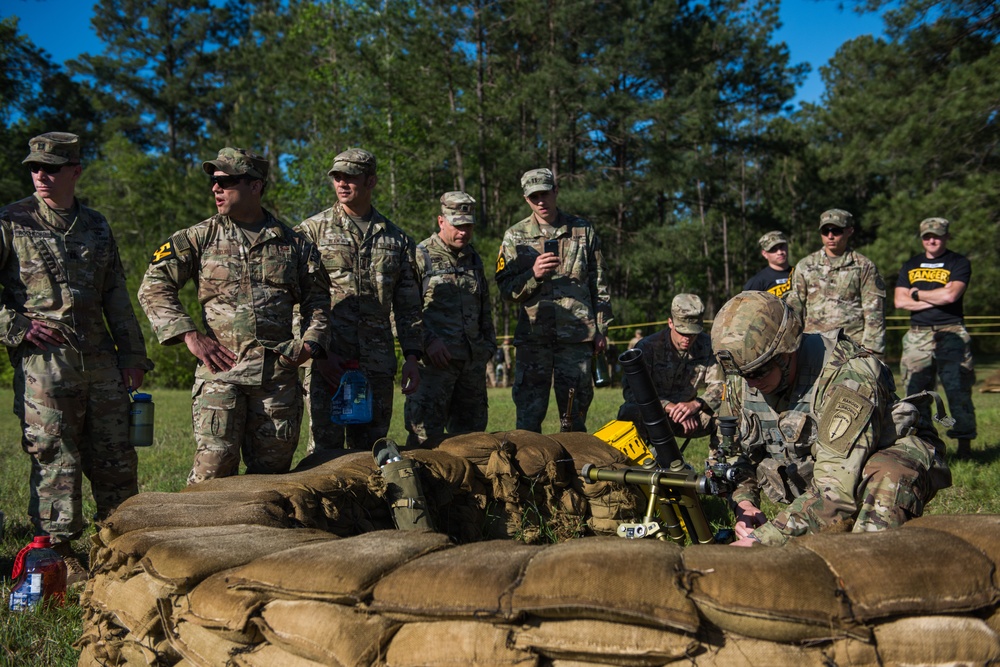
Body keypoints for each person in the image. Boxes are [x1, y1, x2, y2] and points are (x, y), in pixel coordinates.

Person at [0, 132, 153, 580]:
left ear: (75, 172)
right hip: (45, 364)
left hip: (102, 361)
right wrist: (17, 326)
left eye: (51, 168)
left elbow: (116, 294)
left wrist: (133, 354)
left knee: (117, 454)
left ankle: (120, 544)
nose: (41, 175)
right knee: (55, 455)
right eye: (34, 167)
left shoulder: (96, 225)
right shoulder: (13, 220)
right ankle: (60, 553)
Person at [139, 147, 330, 485]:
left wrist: (310, 345)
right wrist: (190, 335)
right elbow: (153, 287)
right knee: (212, 476)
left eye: (226, 181)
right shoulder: (198, 238)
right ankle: (196, 538)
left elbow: (319, 301)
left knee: (271, 480)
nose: (216, 188)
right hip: (220, 377)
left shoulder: (293, 244)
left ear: (255, 185)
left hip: (276, 379)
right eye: (214, 181)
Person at [711, 290, 950, 547]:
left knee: (886, 475)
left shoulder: (849, 376)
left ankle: (873, 562)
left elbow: (835, 491)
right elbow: (738, 456)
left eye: (758, 371)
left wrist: (763, 541)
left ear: (786, 351)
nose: (752, 383)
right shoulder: (744, 378)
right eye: (742, 374)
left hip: (875, 468)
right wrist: (744, 504)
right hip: (824, 479)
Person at [296, 148, 423, 450]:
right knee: (324, 455)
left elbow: (408, 307)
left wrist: (413, 357)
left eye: (350, 177)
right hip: (328, 361)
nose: (342, 183)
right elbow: (295, 299)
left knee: (371, 451)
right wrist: (316, 354)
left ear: (371, 181)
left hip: (376, 365)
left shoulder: (397, 239)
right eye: (337, 177)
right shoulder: (310, 232)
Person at [495, 167, 613, 432]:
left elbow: (600, 284)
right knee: (528, 419)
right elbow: (505, 288)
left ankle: (572, 472)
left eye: (544, 194)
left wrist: (601, 329)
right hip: (534, 340)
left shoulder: (582, 230)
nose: (540, 201)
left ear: (555, 192)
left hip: (576, 340)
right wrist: (533, 274)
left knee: (574, 419)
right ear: (526, 199)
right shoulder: (515, 236)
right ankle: (529, 472)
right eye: (533, 196)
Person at [404, 192, 495, 446]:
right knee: (425, 441)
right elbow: (403, 310)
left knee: (472, 441)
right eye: (457, 225)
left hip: (471, 367)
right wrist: (427, 341)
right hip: (434, 369)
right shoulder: (420, 256)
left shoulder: (473, 258)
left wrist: (488, 345)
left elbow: (484, 305)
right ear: (441, 221)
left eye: (468, 226)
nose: (463, 232)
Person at [894, 217, 976, 458]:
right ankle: (925, 444)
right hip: (917, 335)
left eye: (937, 235)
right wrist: (936, 295)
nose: (932, 240)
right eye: (927, 236)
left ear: (947, 237)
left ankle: (964, 445)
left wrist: (917, 294)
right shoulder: (911, 264)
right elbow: (899, 301)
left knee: (957, 390)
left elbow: (951, 296)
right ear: (922, 238)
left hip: (951, 332)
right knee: (916, 391)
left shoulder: (958, 262)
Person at [618, 294, 723, 450]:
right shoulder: (647, 347)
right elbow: (632, 391)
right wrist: (670, 407)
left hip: (691, 417)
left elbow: (720, 386)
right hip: (654, 414)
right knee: (629, 411)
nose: (688, 338)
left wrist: (696, 405)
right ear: (670, 323)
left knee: (728, 415)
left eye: (693, 333)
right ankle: (631, 466)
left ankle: (718, 469)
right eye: (683, 332)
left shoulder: (708, 346)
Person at [786, 209, 886, 356]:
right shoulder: (806, 265)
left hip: (852, 345)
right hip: (815, 344)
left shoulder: (863, 266)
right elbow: (795, 307)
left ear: (849, 231)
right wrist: (790, 343)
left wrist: (872, 347)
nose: (830, 236)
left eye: (836, 231)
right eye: (825, 231)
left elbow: (874, 309)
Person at [743, 230, 793, 298]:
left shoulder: (798, 274)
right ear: (764, 254)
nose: (780, 252)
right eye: (773, 249)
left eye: (781, 247)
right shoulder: (757, 282)